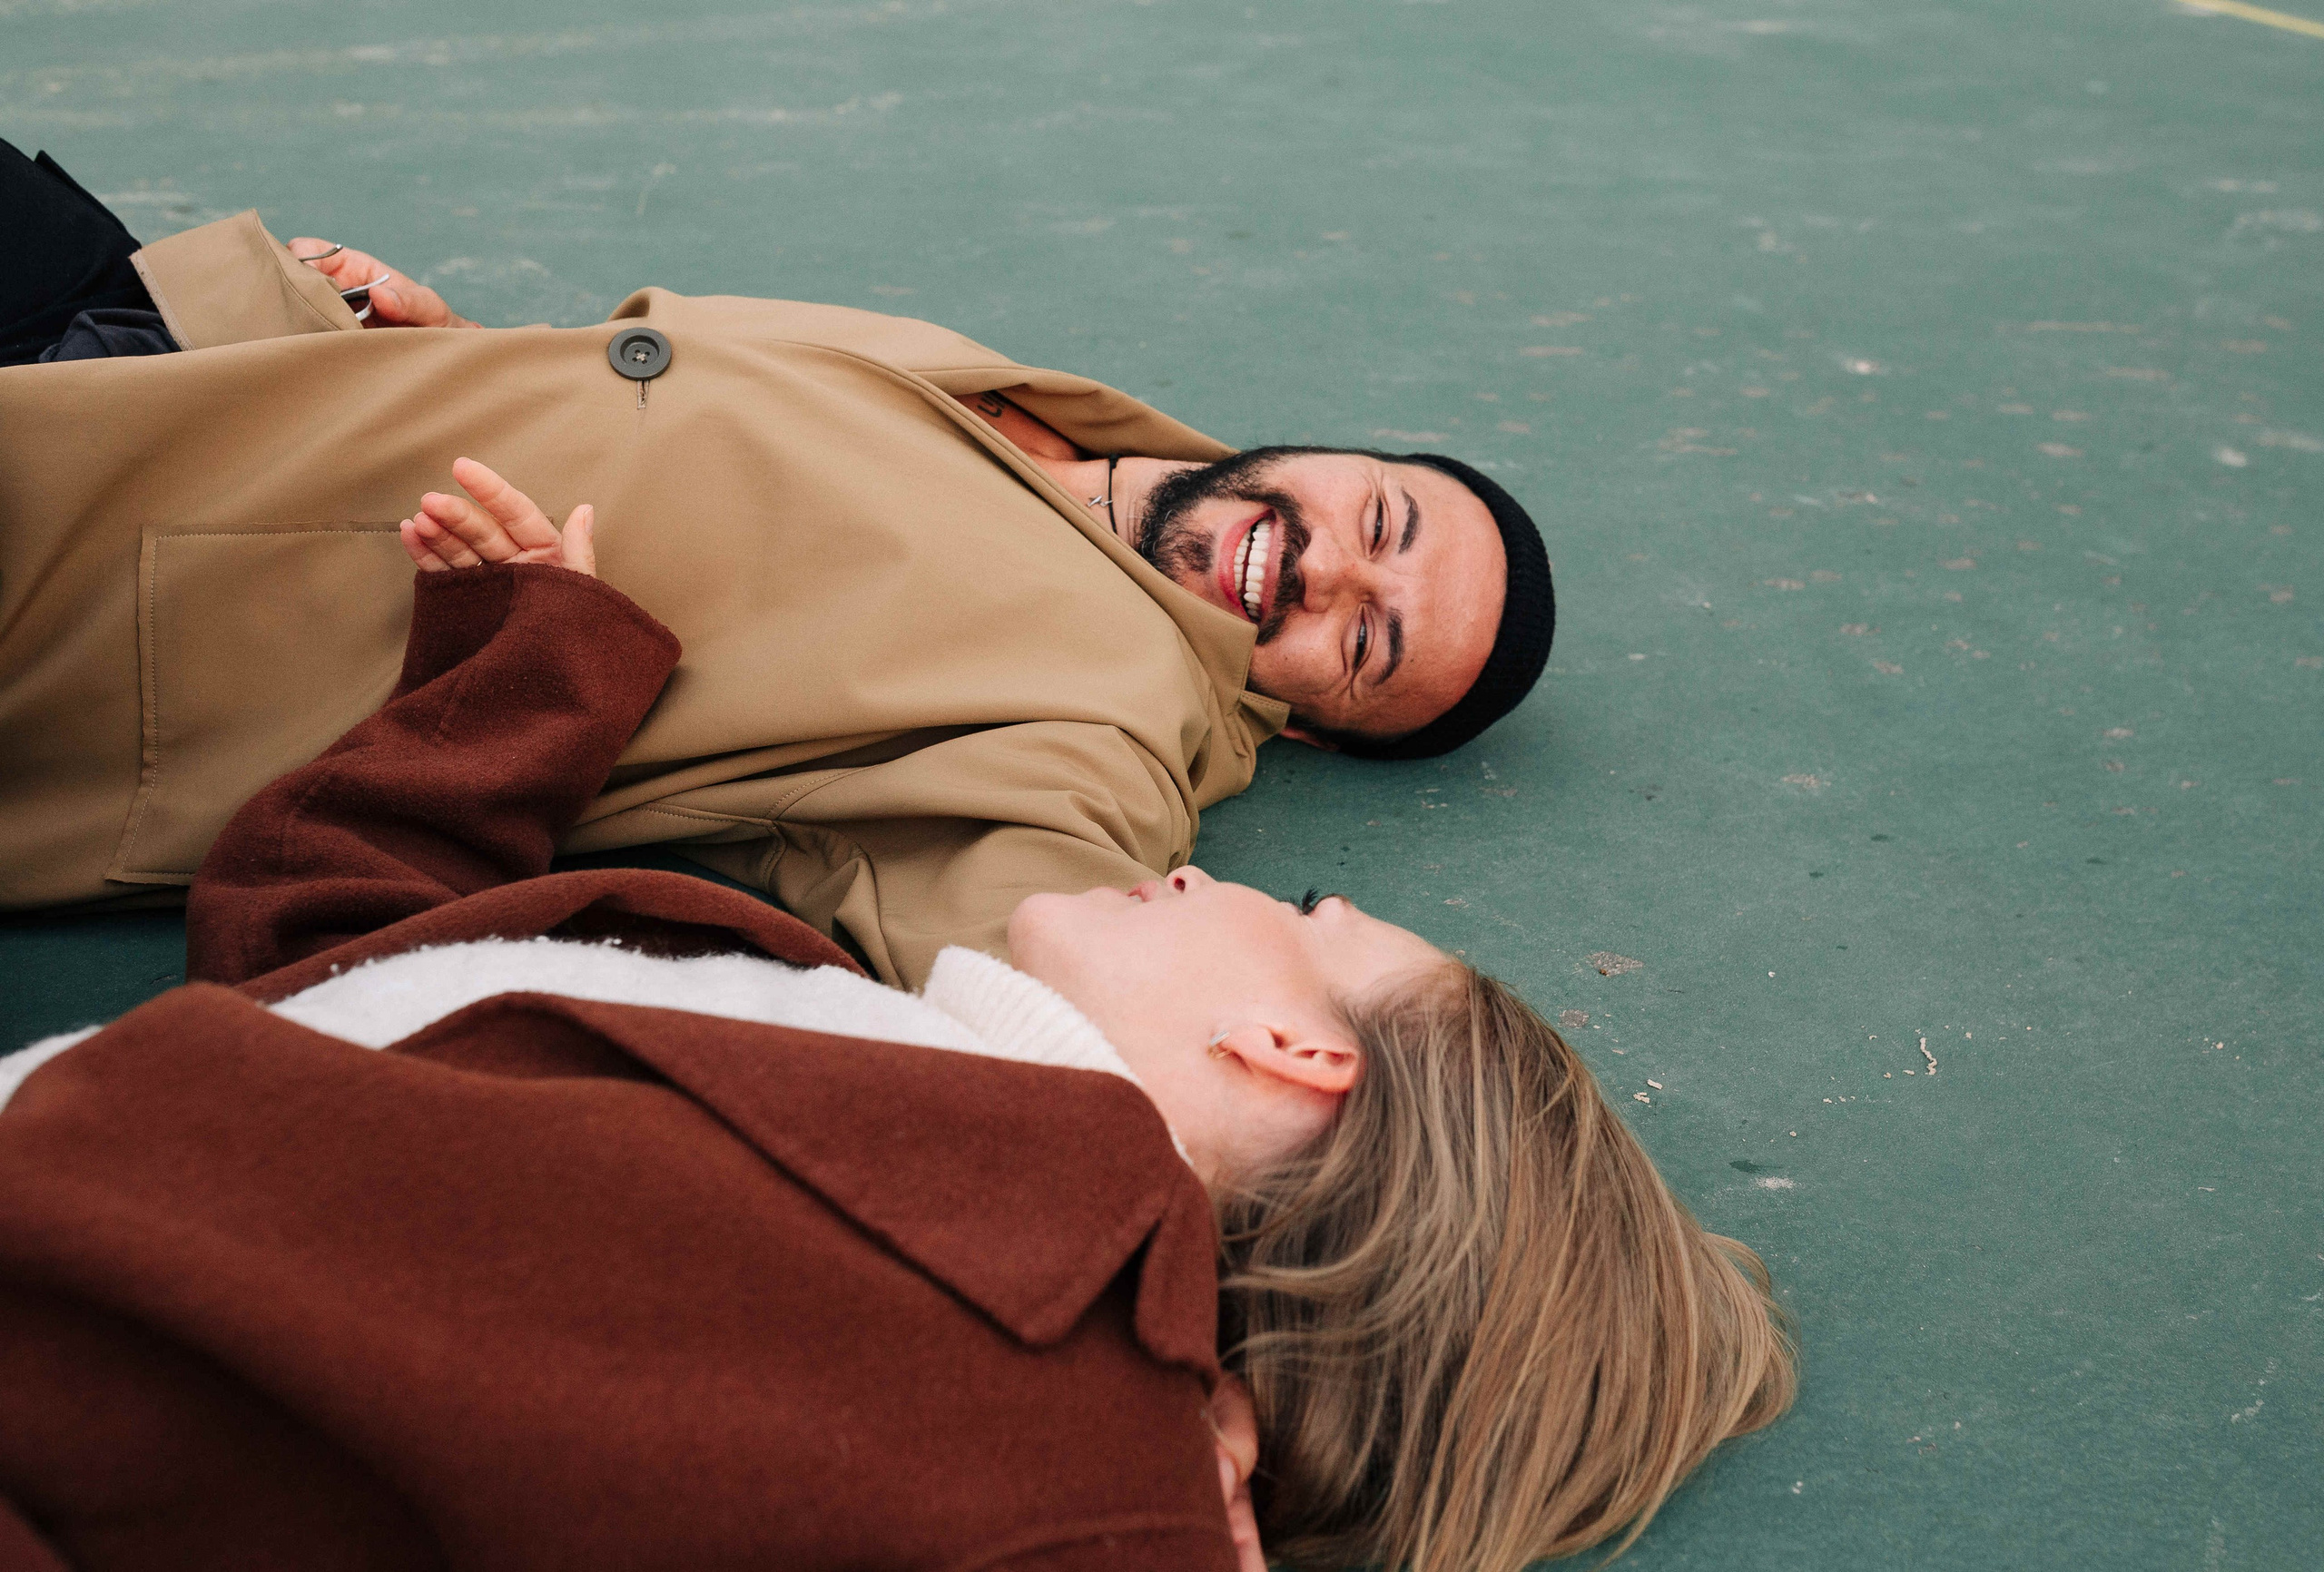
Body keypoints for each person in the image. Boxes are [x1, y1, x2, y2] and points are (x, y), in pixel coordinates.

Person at [0, 478, 1787, 1572]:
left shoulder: (1049, 1402)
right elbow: (324, 1012)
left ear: (1294, 1048)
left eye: (1314, 920)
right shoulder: (839, 1039)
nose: (1235, 884)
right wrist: (523, 674)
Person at [0, 142, 1555, 990]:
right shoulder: (1036, 409)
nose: (1327, 577)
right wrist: (468, 351)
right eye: (1384, 524)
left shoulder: (1115, 728)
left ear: (1303, 725)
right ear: (1348, 461)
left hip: (105, 609)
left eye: (1366, 649)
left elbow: (1039, 959)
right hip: (179, 349)